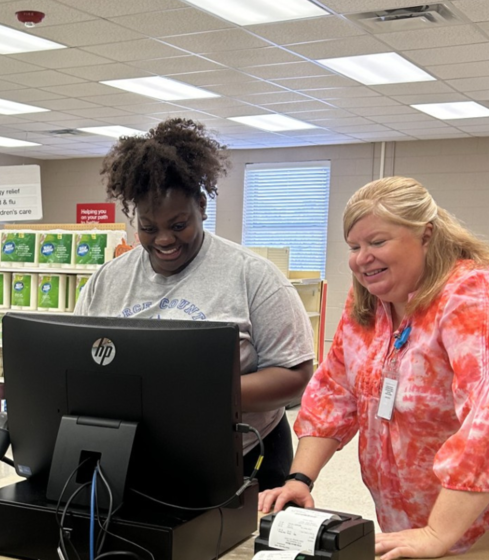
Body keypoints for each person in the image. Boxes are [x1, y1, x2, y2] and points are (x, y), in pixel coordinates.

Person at [259, 177, 489, 559]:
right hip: (407, 515)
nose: (361, 258)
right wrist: (300, 477)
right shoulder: (370, 300)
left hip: (484, 517)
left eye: (377, 242)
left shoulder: (476, 295)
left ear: (426, 235)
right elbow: (335, 391)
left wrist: (437, 533)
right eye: (354, 246)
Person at [74, 118, 316, 491]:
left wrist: (197, 392)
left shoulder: (254, 276)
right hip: (139, 454)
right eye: (149, 227)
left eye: (179, 224)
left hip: (246, 455)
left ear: (202, 206)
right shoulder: (108, 280)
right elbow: (76, 358)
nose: (165, 239)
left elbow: (296, 377)